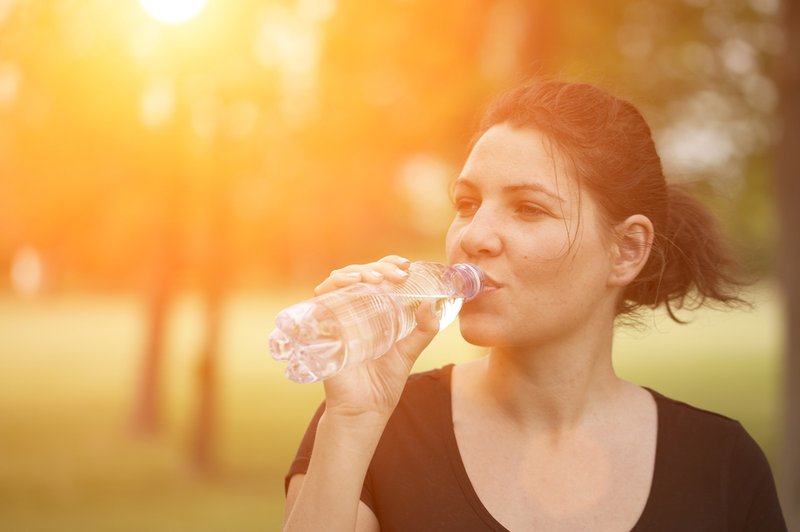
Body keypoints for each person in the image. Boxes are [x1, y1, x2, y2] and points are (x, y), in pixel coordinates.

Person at [281, 80, 787, 531]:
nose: (474, 235)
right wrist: (351, 421)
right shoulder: (372, 428)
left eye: (529, 209)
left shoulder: (721, 465)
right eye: (467, 203)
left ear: (627, 250)